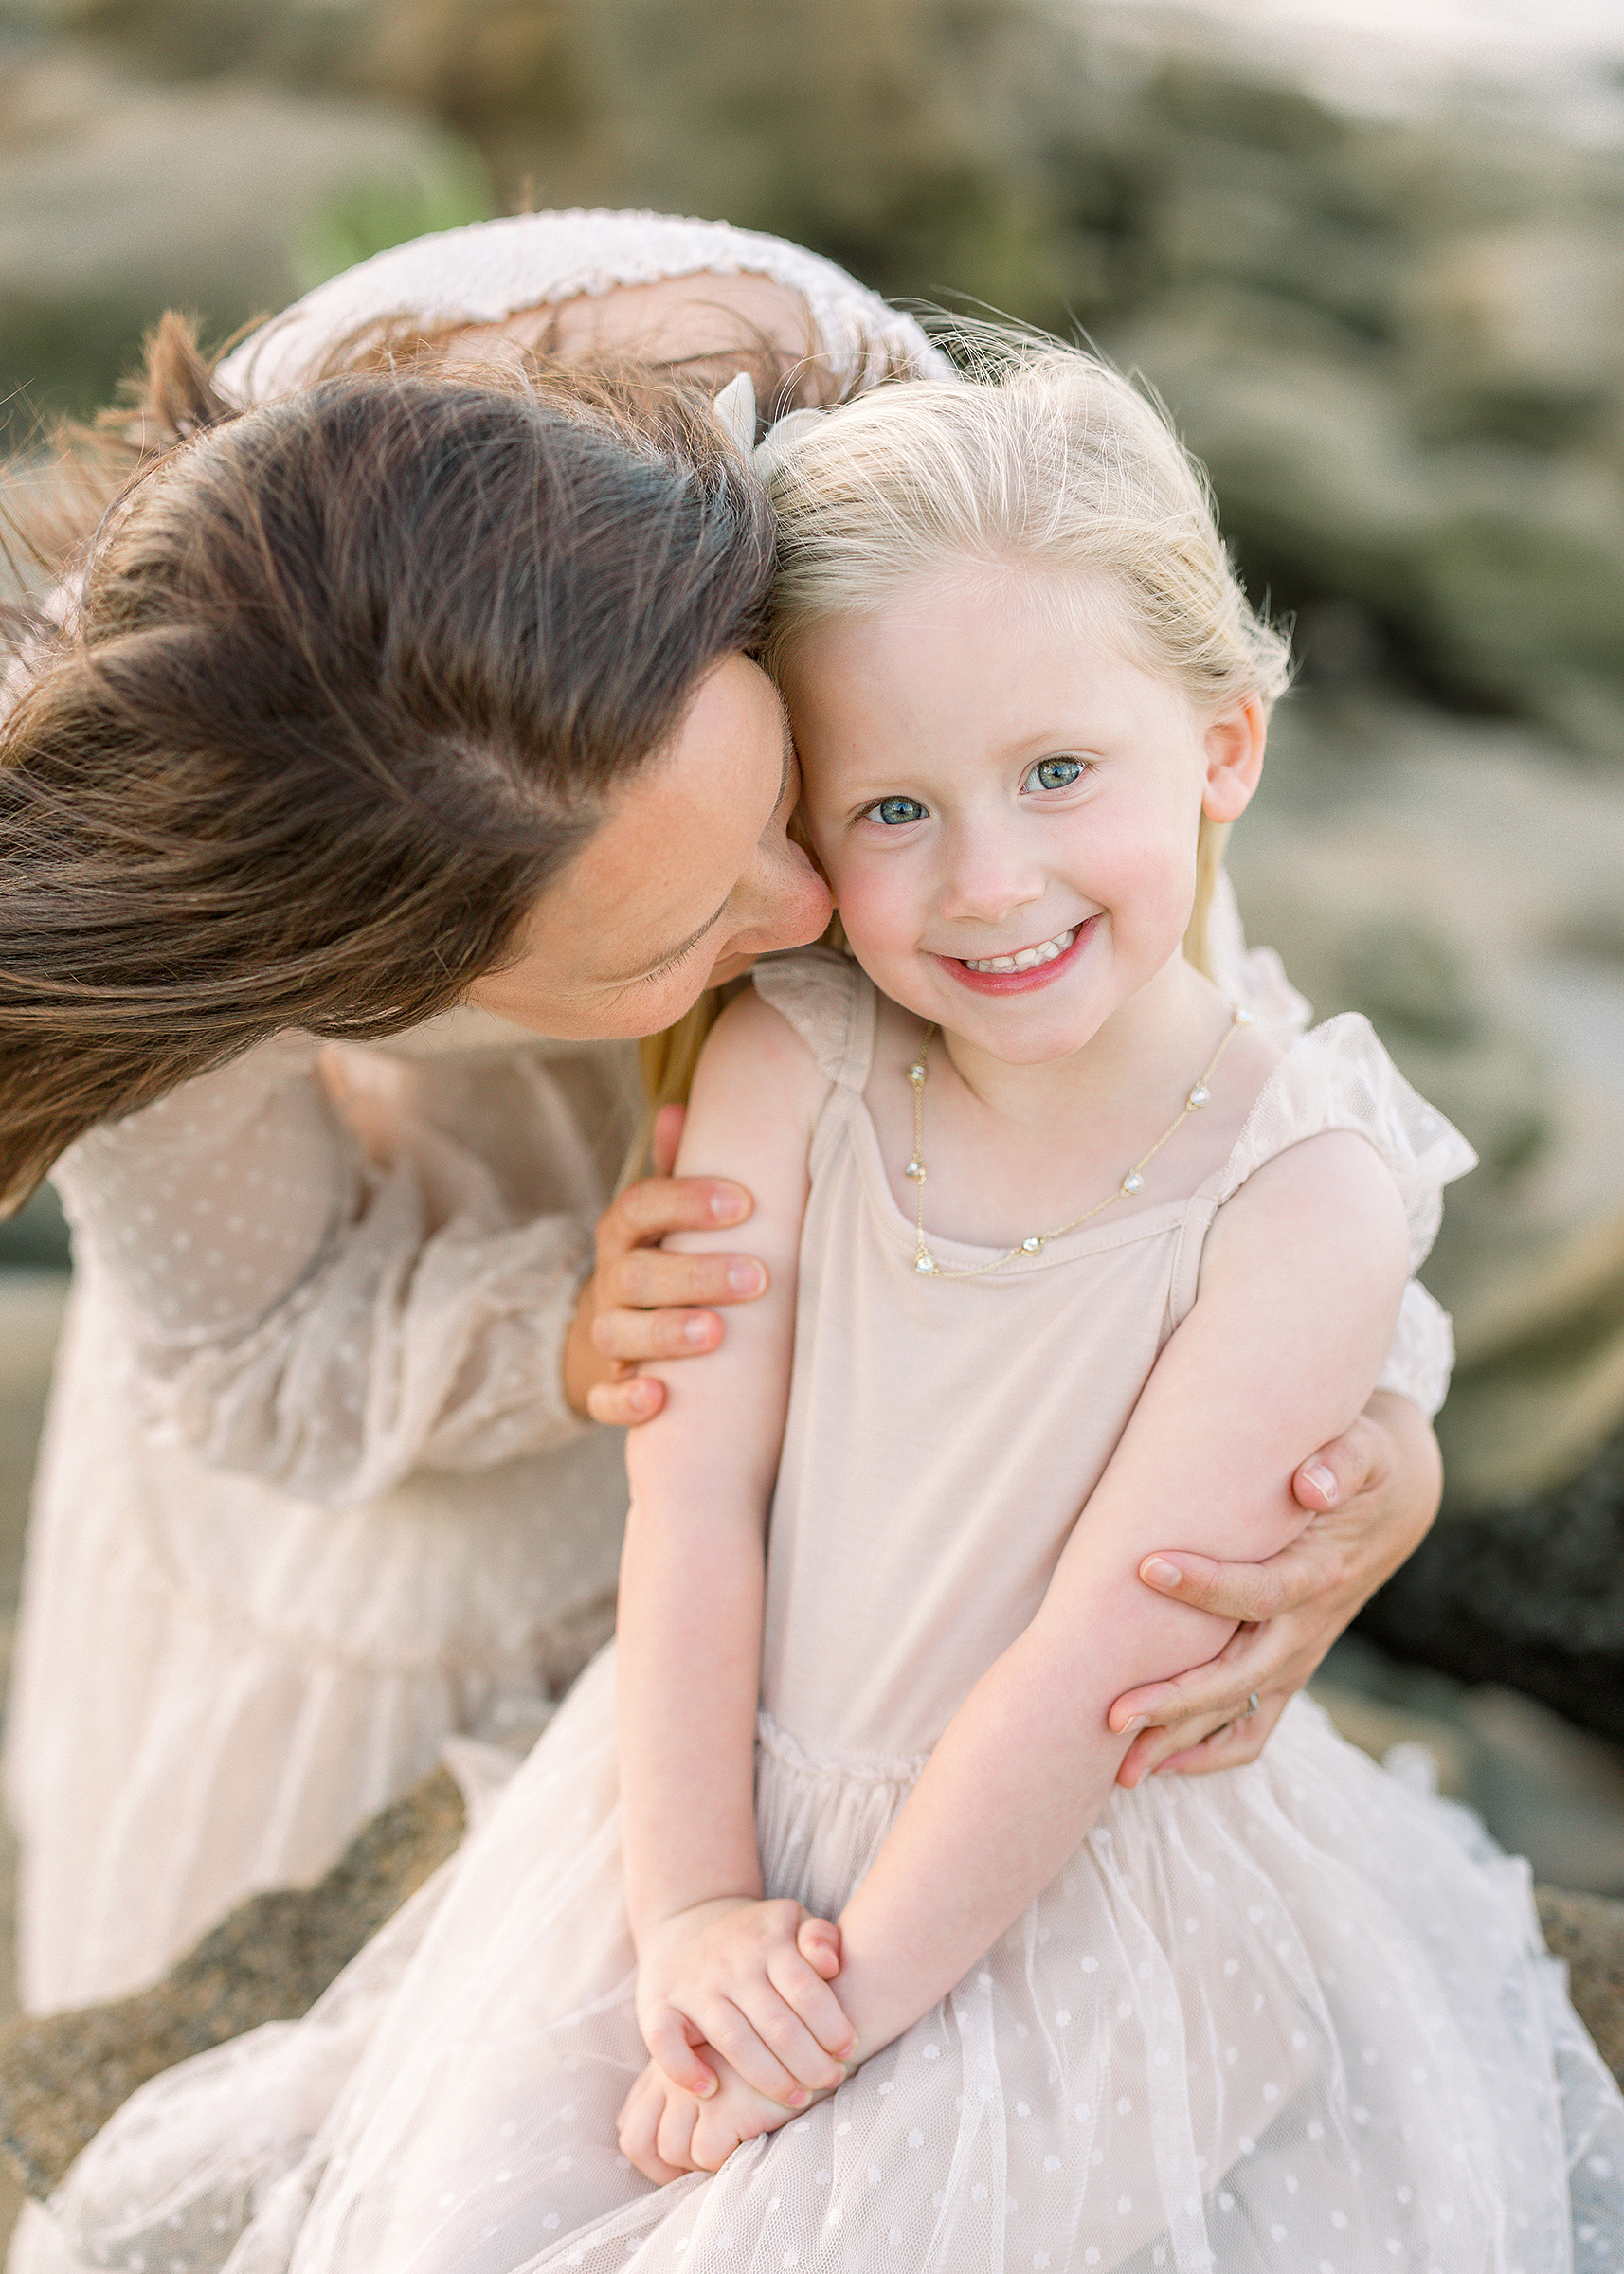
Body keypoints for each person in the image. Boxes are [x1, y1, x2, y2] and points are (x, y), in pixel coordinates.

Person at [40, 340, 1623, 2274]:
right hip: (710, 1794)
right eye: (876, 813)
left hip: (1055, 1872)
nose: (953, 890)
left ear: (1225, 745)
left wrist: (826, 2017)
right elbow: (692, 1502)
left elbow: (1085, 1659)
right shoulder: (789, 1053)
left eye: (1049, 778)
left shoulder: (889, 519)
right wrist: (697, 1916)